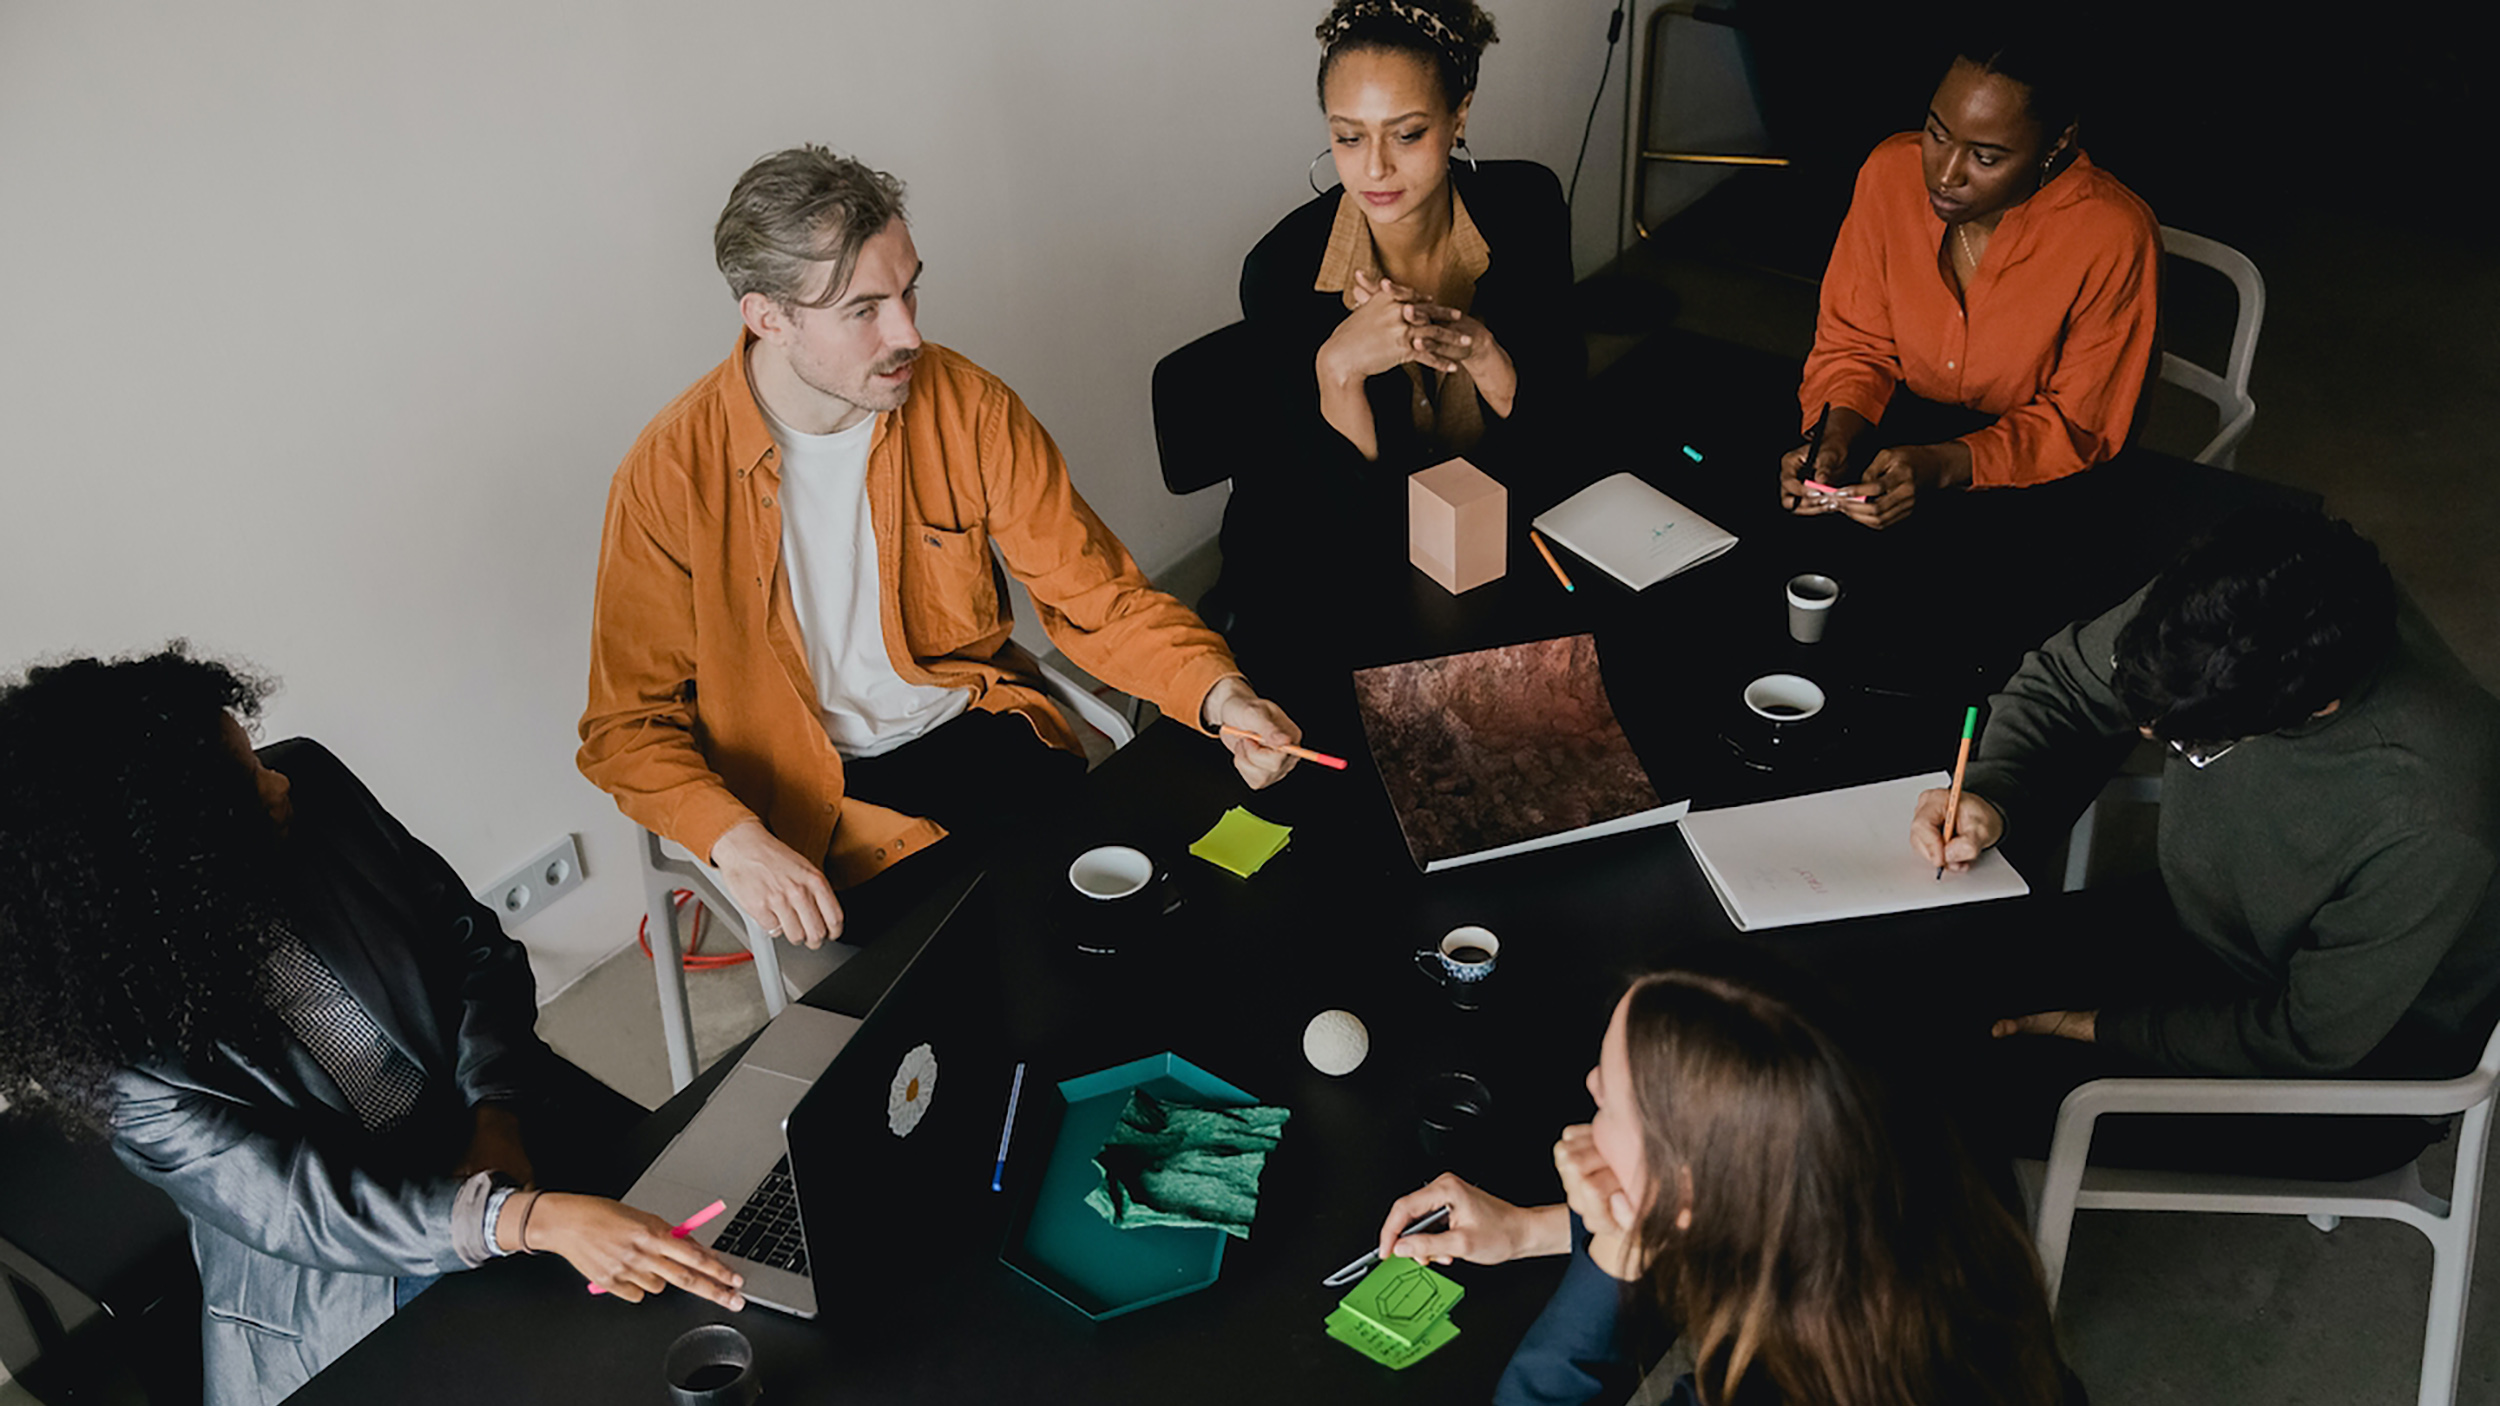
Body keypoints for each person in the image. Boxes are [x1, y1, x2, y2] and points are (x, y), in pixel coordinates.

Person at [579, 147, 1304, 950]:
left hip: (977, 727)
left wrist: (1221, 695)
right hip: (813, 794)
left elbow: (1099, 599)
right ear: (769, 319)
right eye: (865, 310)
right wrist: (732, 838)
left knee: (1132, 925)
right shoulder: (668, 475)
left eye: (909, 288)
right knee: (961, 995)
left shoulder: (970, 408)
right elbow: (627, 725)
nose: (908, 332)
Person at [0, 647, 746, 1406]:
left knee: (718, 1269)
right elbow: (305, 1207)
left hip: (500, 1116)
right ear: (177, 863)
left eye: (252, 753)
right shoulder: (122, 1057)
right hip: (353, 1265)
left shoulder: (312, 786)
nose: (278, 778)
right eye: (247, 785)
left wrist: (496, 1115)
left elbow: (473, 949)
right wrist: (517, 1218)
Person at [1914, 509, 2500, 1172]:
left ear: (2315, 711)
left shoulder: (2434, 815)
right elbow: (2067, 680)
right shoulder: (2230, 598)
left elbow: (2304, 1037)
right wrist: (1996, 791)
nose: (2143, 734)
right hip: (2204, 922)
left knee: (1930, 1099)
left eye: (2181, 739)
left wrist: (2095, 1026)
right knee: (1902, 984)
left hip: (2348, 1076)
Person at [1374, 969, 2072, 1406]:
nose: (1587, 1089)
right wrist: (1535, 1229)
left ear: (1690, 1190)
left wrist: (1613, 1256)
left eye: (1609, 1097)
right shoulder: (1931, 1205)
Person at [1219, 0, 1581, 637]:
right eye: (1348, 137)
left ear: (1458, 116)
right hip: (1338, 580)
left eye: (1407, 133)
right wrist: (1338, 375)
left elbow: (1564, 444)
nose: (1375, 167)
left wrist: (1491, 361)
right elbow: (1313, 528)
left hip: (1497, 561)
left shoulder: (1528, 206)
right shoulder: (1281, 272)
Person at [1778, 26, 2160, 529]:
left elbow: (2080, 423)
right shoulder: (1889, 175)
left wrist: (1942, 465)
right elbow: (1854, 344)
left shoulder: (2112, 235)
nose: (1945, 174)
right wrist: (1833, 439)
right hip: (1893, 447)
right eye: (1937, 133)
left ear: (2058, 140)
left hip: (2039, 491)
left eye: (1985, 157)